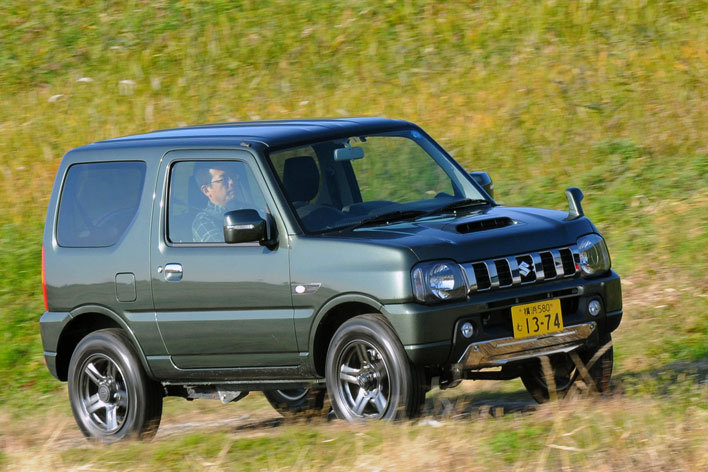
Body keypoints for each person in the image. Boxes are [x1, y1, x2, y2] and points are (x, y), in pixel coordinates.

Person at [191, 162, 246, 242]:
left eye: (232, 176)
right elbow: (223, 253)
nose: (232, 182)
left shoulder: (246, 209)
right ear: (206, 190)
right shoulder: (203, 221)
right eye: (223, 179)